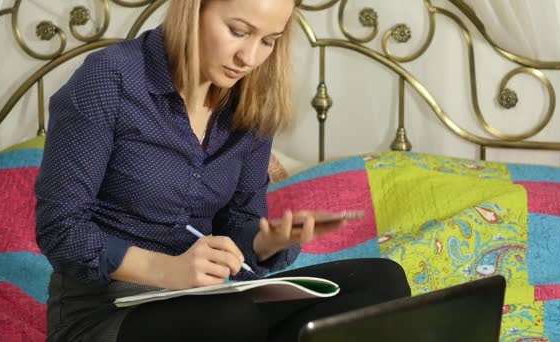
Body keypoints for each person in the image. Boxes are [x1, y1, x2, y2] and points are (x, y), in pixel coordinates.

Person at [35, 0, 411, 341]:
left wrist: (266, 243)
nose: (249, 57)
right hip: (106, 310)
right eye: (238, 31)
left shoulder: (252, 100)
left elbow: (240, 222)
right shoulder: (109, 79)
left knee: (380, 282)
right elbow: (60, 229)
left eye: (269, 41)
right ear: (193, 9)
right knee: (233, 319)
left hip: (210, 300)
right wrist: (169, 270)